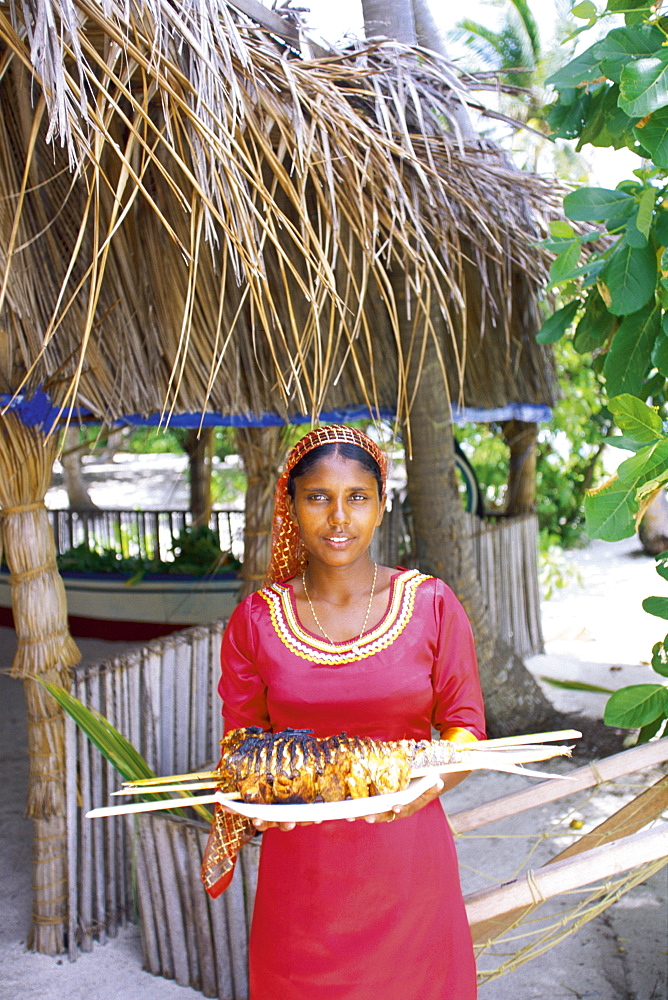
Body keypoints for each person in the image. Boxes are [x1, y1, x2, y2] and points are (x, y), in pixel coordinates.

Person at [202, 424, 485, 1000]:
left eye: (357, 497)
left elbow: (466, 726)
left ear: (381, 507)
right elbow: (244, 744)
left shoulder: (431, 605)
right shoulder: (257, 621)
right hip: (301, 874)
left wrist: (425, 783)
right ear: (292, 506)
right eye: (318, 498)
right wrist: (255, 804)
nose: (338, 517)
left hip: (408, 860)